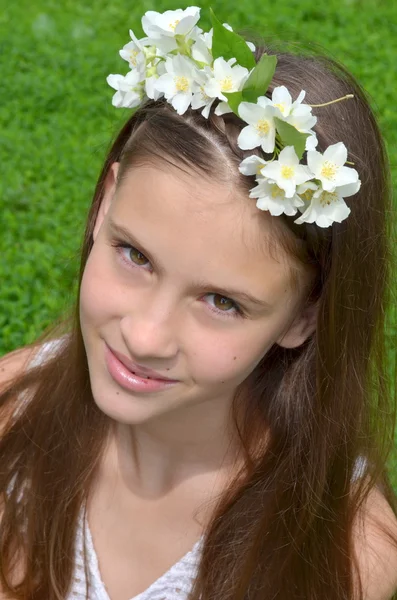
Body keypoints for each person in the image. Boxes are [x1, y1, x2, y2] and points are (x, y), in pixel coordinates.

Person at [1, 6, 397, 600]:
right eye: (135, 256)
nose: (146, 336)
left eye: (221, 301)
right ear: (105, 204)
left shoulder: (343, 557)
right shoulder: (12, 428)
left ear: (305, 316)